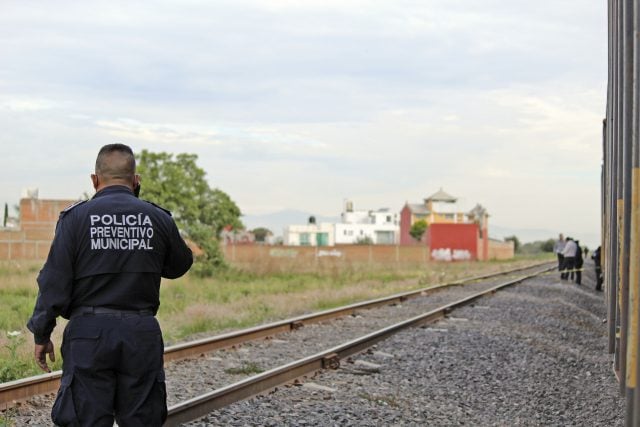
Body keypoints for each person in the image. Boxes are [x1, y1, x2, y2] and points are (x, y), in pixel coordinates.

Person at [27, 144, 193, 426]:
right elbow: (179, 265)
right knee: (142, 419)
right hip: (140, 333)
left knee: (85, 419)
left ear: (94, 180)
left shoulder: (75, 219)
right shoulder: (158, 218)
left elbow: (54, 281)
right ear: (136, 180)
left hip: (88, 334)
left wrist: (42, 333)